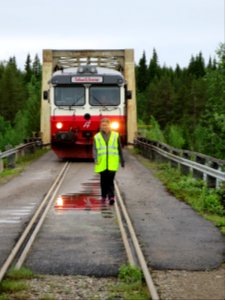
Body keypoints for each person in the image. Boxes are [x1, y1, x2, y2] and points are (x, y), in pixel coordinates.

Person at [93, 118, 125, 205]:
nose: (104, 126)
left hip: (112, 162)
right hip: (101, 162)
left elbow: (119, 148)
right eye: (103, 125)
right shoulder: (97, 136)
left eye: (106, 125)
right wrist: (95, 159)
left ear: (109, 125)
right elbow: (95, 149)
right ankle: (103, 196)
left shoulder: (115, 135)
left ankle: (111, 197)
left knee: (110, 179)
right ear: (100, 126)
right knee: (103, 180)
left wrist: (122, 160)